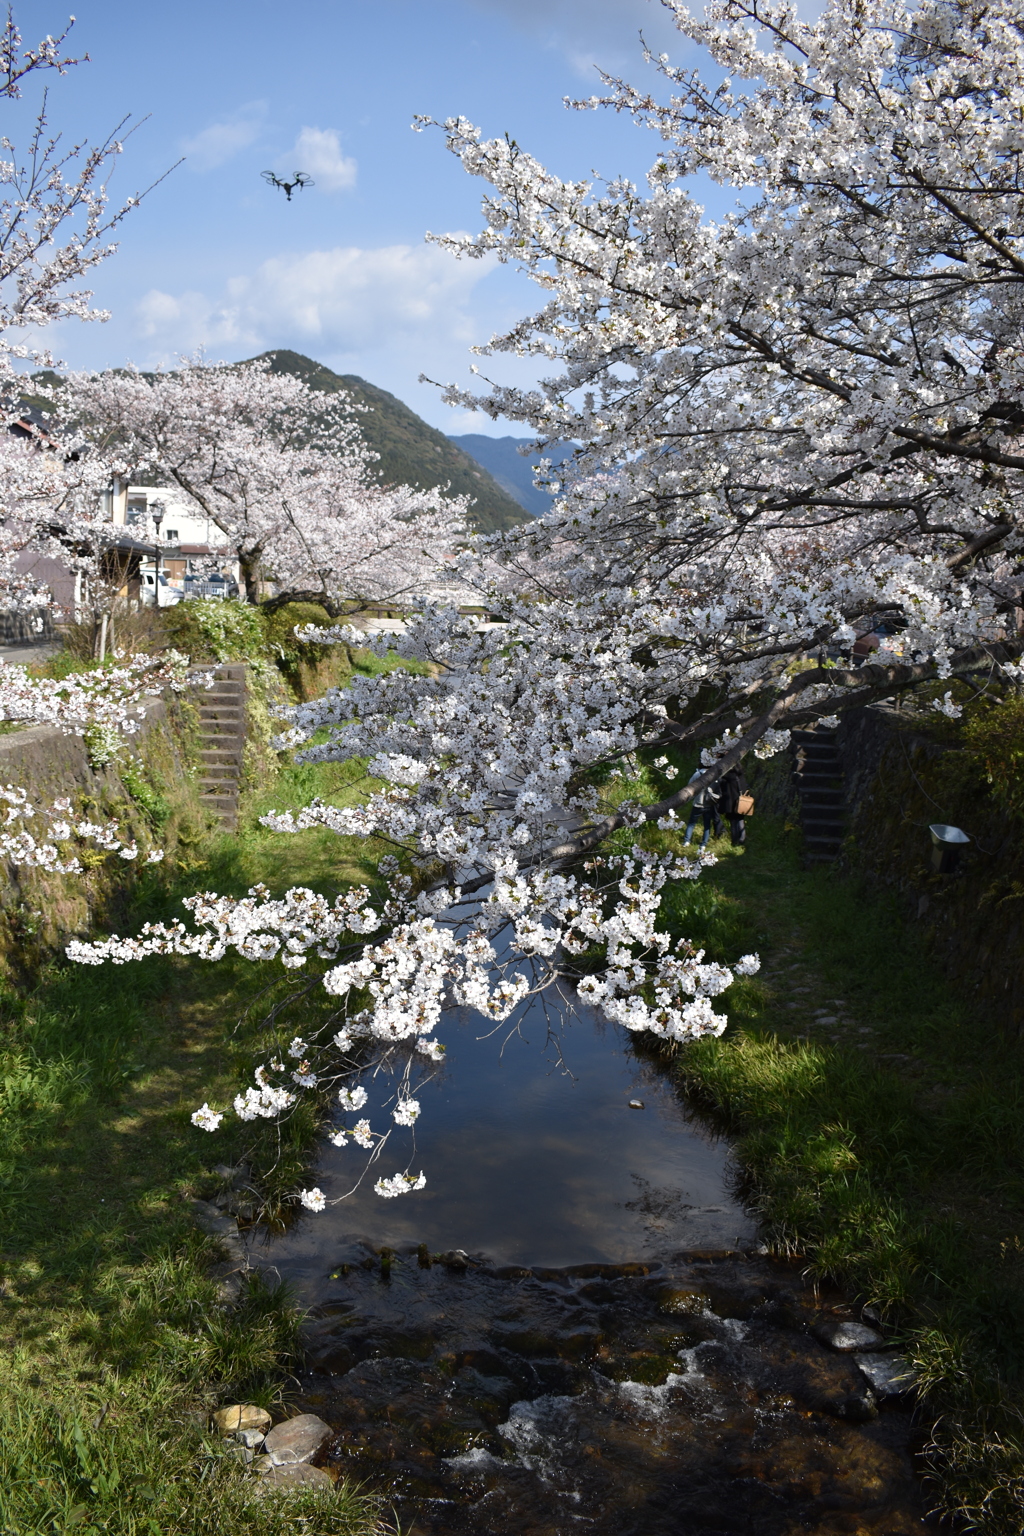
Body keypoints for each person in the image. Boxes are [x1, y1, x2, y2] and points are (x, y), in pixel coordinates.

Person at [682, 769, 723, 848]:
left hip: (698, 803)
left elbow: (689, 785)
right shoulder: (715, 774)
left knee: (691, 823)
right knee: (707, 825)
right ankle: (704, 844)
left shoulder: (697, 774)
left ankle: (687, 841)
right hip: (709, 803)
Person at [716, 765, 750, 846]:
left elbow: (722, 789)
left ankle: (734, 841)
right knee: (740, 820)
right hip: (741, 801)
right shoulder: (740, 775)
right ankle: (742, 838)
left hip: (730, 803)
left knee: (733, 822)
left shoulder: (726, 778)